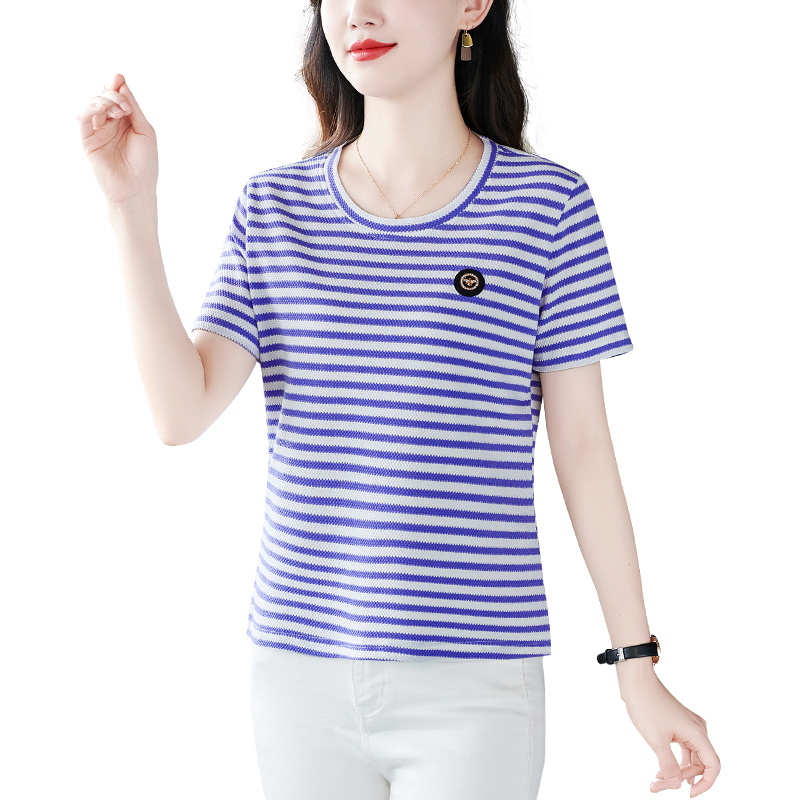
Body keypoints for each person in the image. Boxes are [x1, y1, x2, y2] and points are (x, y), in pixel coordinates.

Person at [77, 1, 721, 798]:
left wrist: (636, 667)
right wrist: (129, 205)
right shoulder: (274, 207)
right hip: (297, 671)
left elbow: (584, 449)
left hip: (475, 681)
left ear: (472, 5)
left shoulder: (545, 206)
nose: (360, 13)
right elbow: (181, 413)